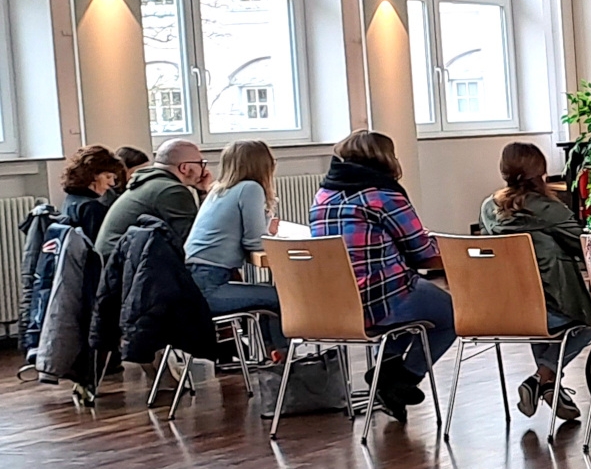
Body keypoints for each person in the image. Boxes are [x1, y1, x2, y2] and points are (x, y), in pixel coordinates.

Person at [309, 130, 449, 422]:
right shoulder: (382, 196)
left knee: (413, 312)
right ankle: (403, 379)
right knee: (453, 314)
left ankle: (385, 375)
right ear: (386, 159)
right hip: (378, 298)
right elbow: (422, 252)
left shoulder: (322, 196)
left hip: (333, 304)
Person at [478, 142, 591, 423]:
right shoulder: (547, 209)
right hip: (551, 307)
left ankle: (551, 387)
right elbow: (584, 247)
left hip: (509, 306)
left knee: (539, 319)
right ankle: (540, 378)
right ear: (540, 170)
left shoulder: (488, 208)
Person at [182, 140, 287, 354]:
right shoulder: (250, 188)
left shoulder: (218, 190)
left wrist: (266, 224)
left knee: (269, 297)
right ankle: (284, 359)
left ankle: (274, 357)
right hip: (209, 285)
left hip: (191, 282)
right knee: (282, 297)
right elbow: (255, 242)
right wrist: (268, 230)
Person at [97, 138, 210, 263]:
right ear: (185, 168)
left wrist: (202, 192)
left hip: (116, 264)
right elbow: (193, 242)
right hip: (125, 267)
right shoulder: (171, 191)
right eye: (201, 163)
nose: (204, 170)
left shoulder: (150, 182)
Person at [58, 146, 126, 243]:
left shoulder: (71, 199)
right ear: (93, 175)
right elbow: (98, 245)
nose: (112, 183)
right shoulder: (92, 207)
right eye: (108, 177)